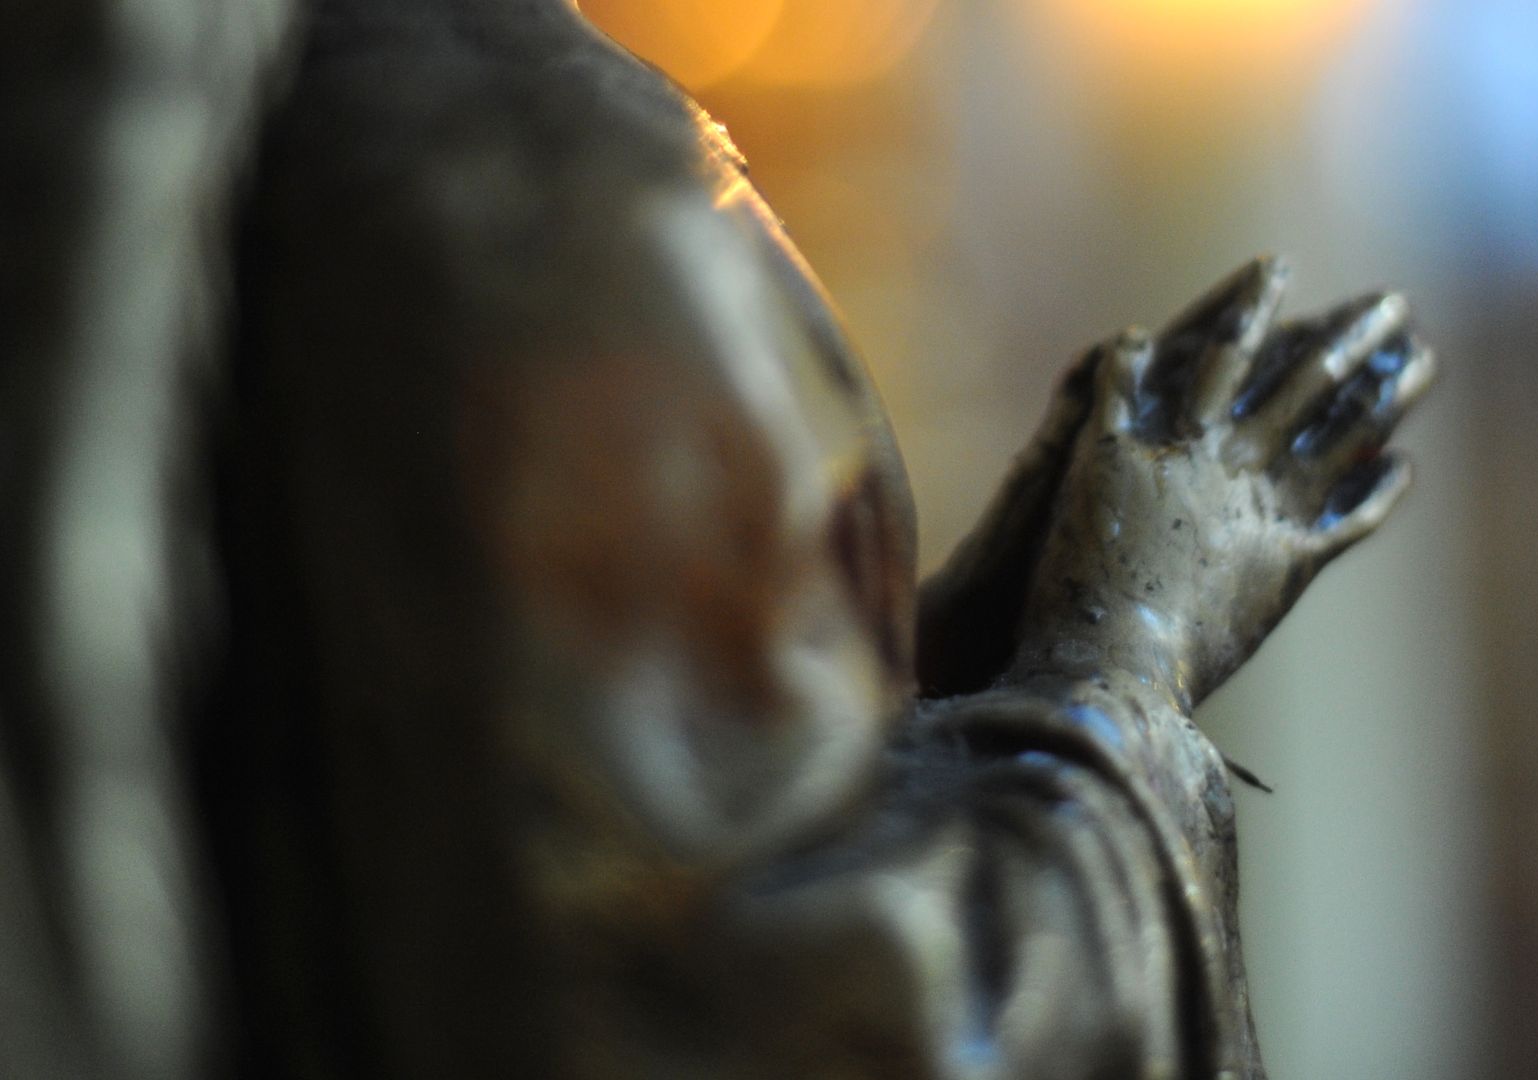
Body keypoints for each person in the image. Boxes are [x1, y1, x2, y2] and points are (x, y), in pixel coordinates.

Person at [3, 2, 1432, 1077]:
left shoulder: (411, 140)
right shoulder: (520, 206)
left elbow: (513, 801)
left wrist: (966, 646)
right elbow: (775, 1013)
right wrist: (1128, 651)